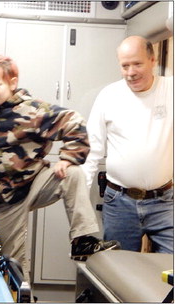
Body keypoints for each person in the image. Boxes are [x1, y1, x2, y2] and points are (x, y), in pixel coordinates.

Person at [0, 55, 120, 279]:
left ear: (12, 83)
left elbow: (74, 121)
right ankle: (21, 296)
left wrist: (68, 157)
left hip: (35, 182)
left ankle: (82, 240)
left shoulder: (32, 110)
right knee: (13, 261)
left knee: (72, 173)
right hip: (5, 199)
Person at [82, 36, 173, 253]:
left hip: (165, 202)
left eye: (137, 64)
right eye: (125, 65)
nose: (131, 72)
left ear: (153, 60)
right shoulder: (109, 96)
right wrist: (81, 200)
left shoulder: (170, 90)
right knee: (118, 271)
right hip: (119, 203)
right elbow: (92, 150)